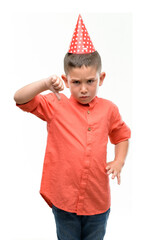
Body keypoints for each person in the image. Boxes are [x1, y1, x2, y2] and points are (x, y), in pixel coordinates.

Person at [13, 14, 131, 240]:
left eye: (90, 81)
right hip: (64, 199)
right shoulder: (55, 103)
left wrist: (119, 161)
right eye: (76, 82)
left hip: (97, 200)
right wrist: (45, 84)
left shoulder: (109, 109)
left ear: (101, 77)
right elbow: (19, 98)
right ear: (66, 81)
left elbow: (122, 135)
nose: (84, 89)